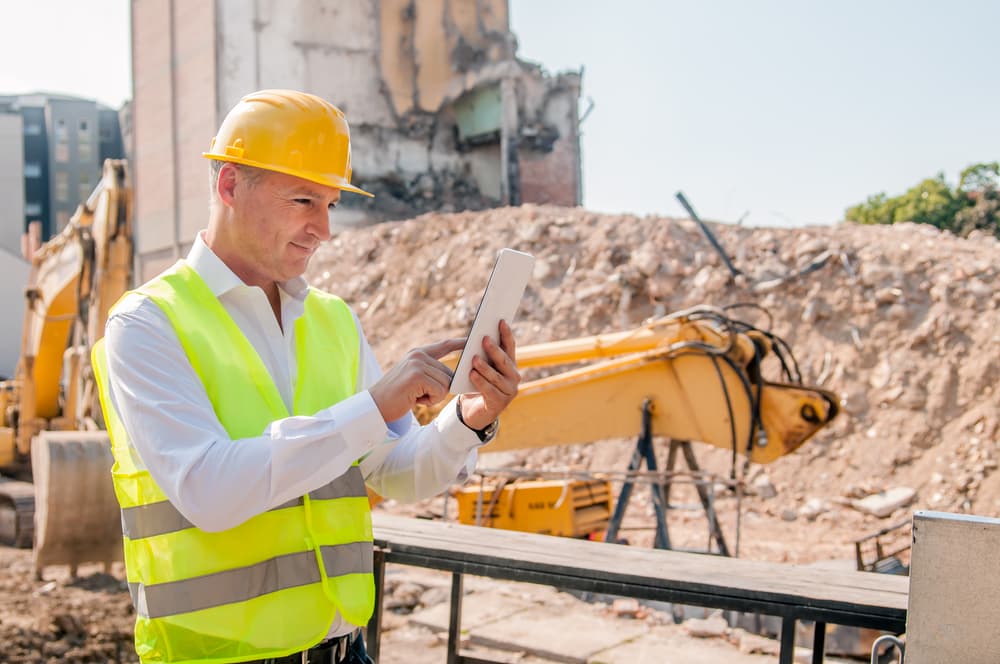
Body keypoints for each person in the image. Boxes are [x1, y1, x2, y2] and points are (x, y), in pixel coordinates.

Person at [92, 89, 521, 664]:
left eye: (330, 205)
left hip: (344, 651)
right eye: (302, 200)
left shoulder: (333, 320)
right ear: (228, 187)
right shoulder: (147, 324)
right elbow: (208, 491)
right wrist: (372, 407)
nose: (323, 228)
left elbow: (394, 471)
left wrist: (470, 419)